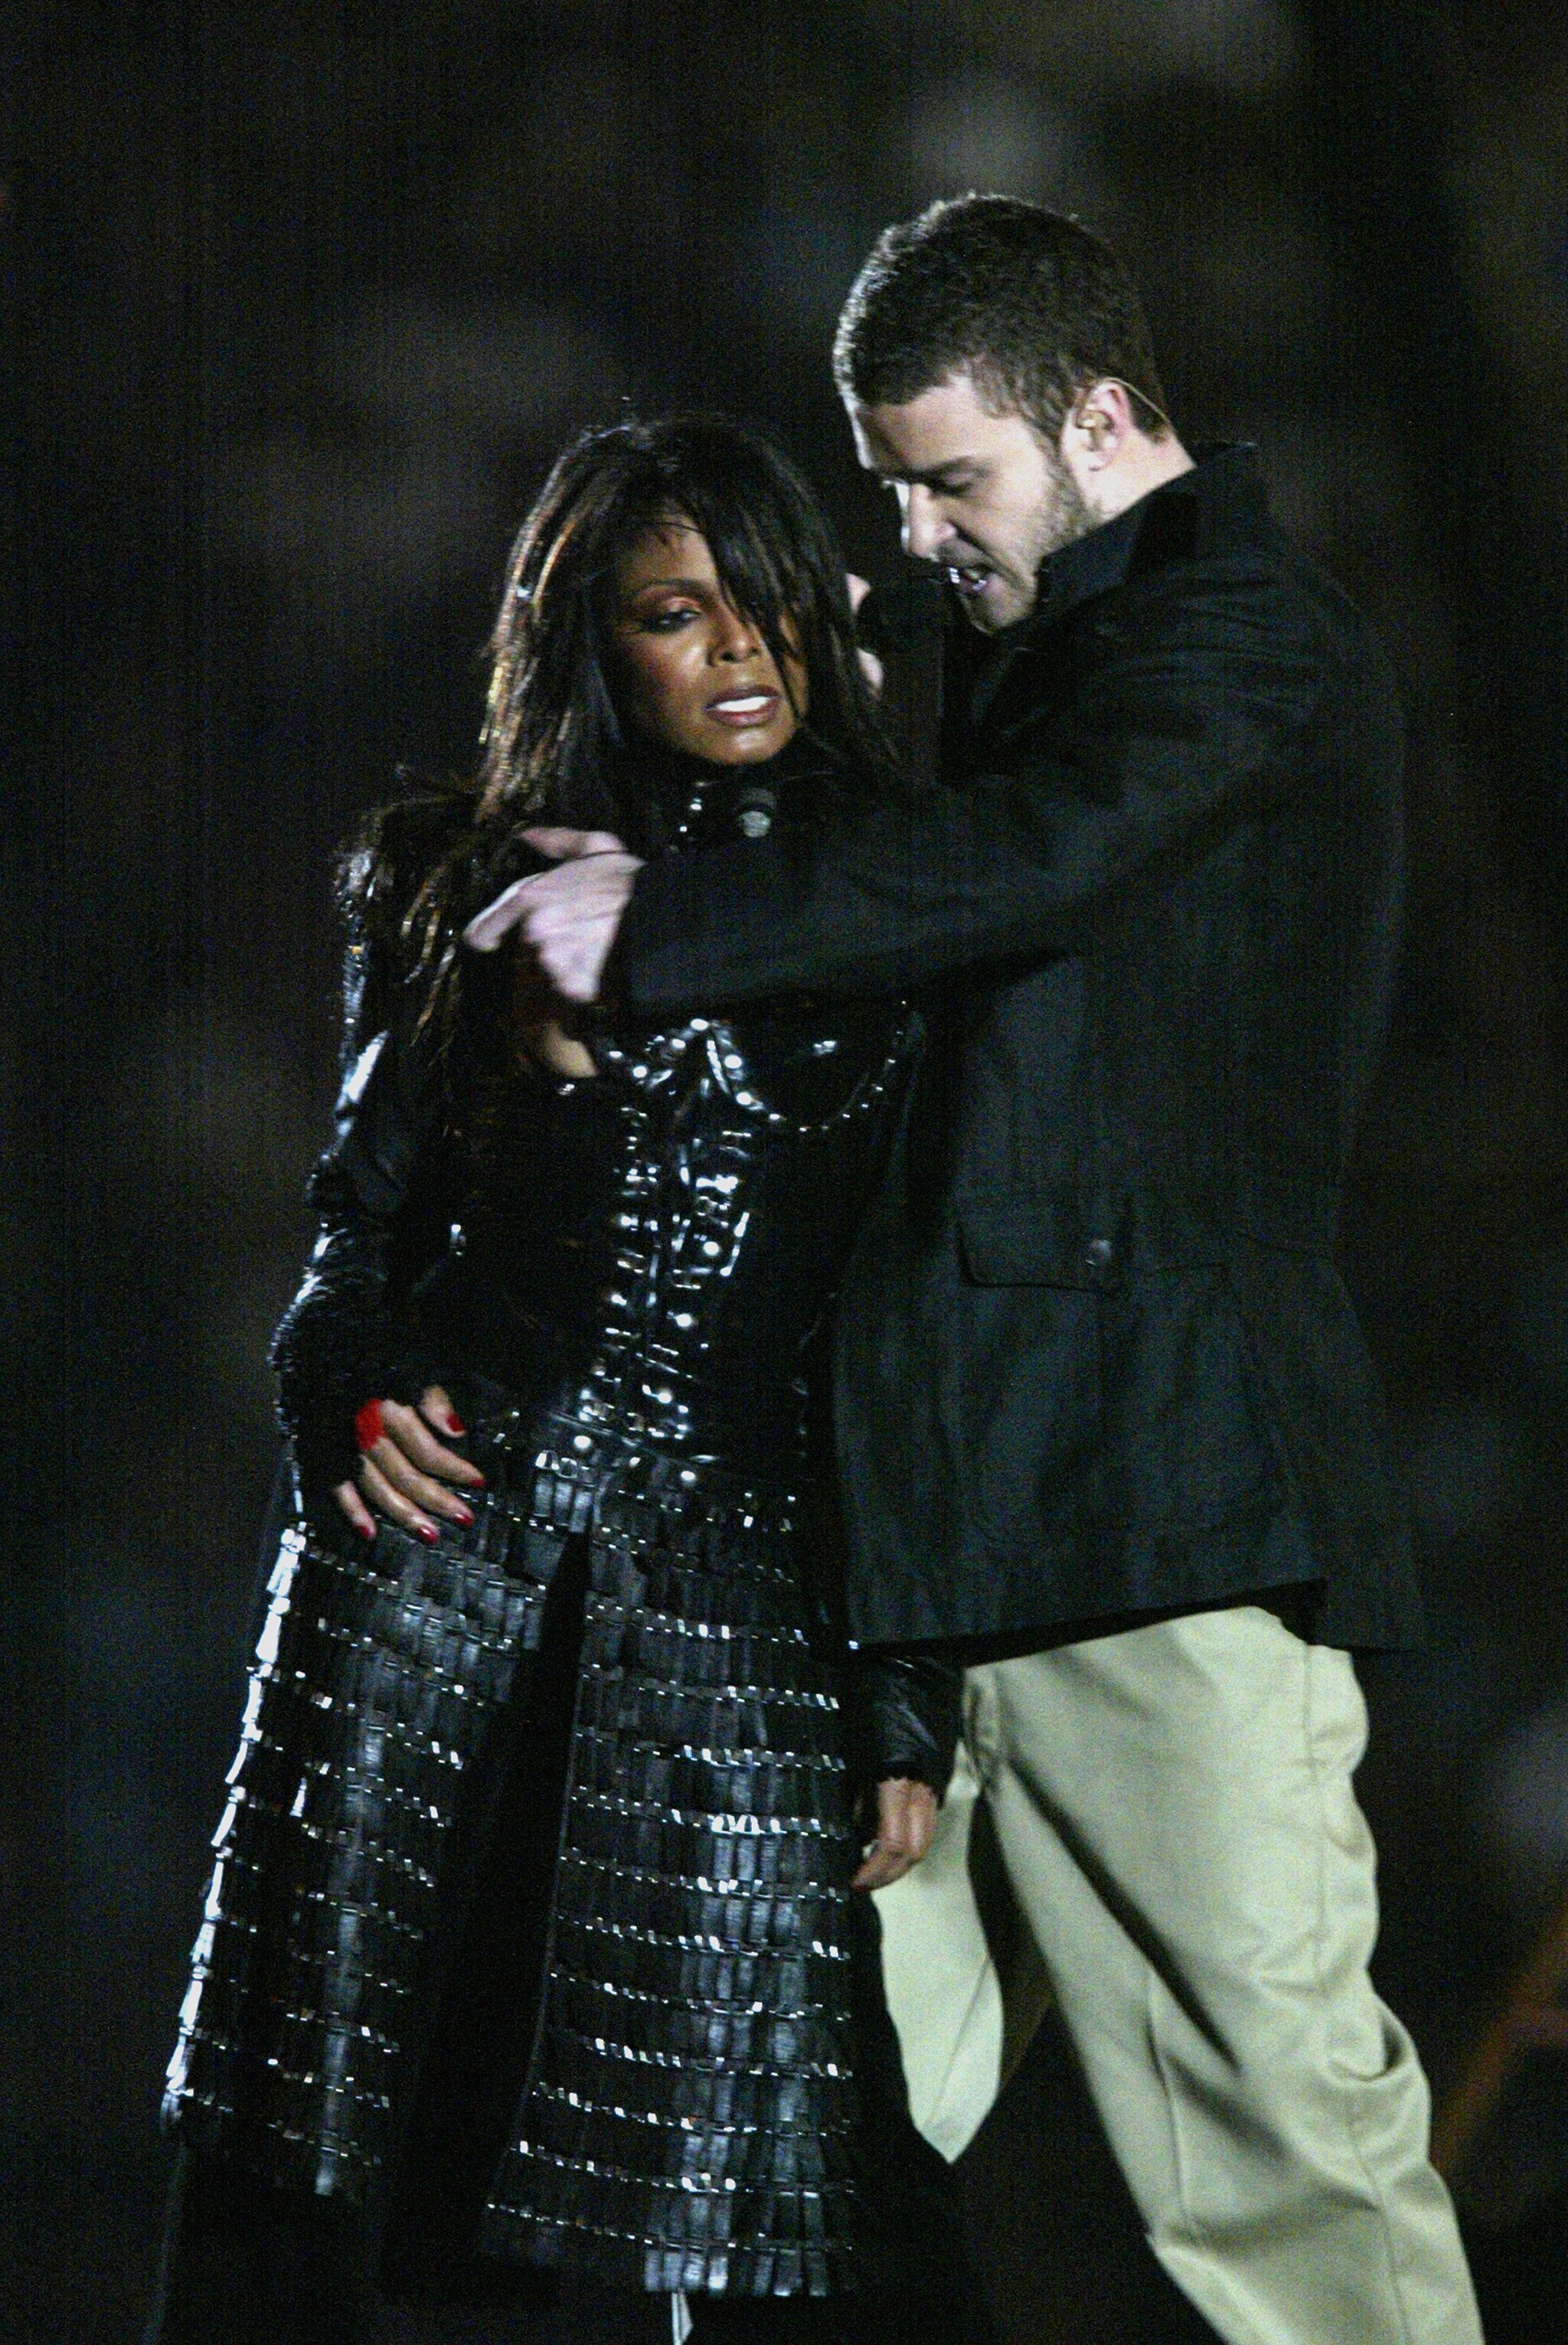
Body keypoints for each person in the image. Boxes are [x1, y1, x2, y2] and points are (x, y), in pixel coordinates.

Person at [473, 199, 1487, 2345]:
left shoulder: (1248, 648)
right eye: (899, 487)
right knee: (814, 2154)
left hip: (1158, 1532)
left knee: (1278, 2168)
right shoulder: (992, 670)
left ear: (1105, 418)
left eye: (955, 478)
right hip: (918, 1556)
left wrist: (653, 932)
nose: (922, 529)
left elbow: (1024, 863)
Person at [149, 415, 976, 2345]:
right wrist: (343, 1393)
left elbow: (905, 1326)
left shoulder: (913, 911)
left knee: (777, 2182)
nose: (738, 651)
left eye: (766, 601)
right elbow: (351, 1238)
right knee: (316, 2136)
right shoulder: (455, 875)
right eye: (676, 614)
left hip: (743, 1605)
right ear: (594, 644)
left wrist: (902, 1685)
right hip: (431, 1583)